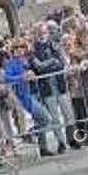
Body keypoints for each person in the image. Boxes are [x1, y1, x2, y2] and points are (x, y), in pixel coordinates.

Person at [3, 38, 56, 157]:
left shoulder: (27, 60)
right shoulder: (11, 63)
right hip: (25, 96)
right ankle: (30, 133)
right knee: (46, 118)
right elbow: (6, 78)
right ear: (13, 50)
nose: (19, 50)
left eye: (21, 47)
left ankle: (43, 147)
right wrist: (22, 77)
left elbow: (39, 68)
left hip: (36, 92)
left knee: (42, 120)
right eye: (16, 48)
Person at [29, 22, 76, 153]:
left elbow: (61, 63)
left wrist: (49, 65)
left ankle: (71, 139)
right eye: (39, 32)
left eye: (43, 32)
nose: (42, 35)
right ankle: (61, 142)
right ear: (35, 34)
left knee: (68, 113)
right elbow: (38, 66)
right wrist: (51, 62)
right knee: (55, 117)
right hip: (46, 88)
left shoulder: (55, 45)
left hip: (60, 84)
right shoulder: (33, 50)